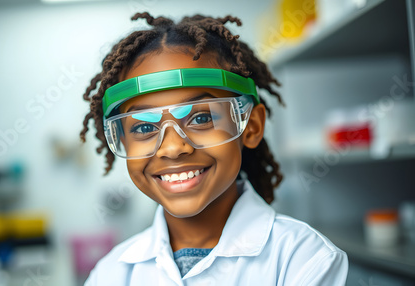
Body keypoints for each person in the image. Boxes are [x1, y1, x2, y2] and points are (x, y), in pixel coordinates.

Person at [80, 12, 348, 286]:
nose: (172, 148)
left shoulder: (303, 260)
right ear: (122, 141)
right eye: (144, 128)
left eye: (201, 118)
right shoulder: (110, 274)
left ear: (251, 126)